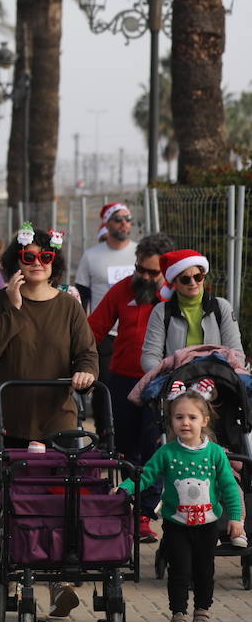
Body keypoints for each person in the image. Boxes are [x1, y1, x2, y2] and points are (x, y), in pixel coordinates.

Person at [0, 223, 97, 618]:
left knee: (57, 503)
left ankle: (58, 580)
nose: (38, 263)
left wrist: (85, 373)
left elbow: (87, 353)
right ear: (17, 261)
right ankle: (20, 570)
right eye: (30, 257)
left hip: (57, 416)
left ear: (55, 262)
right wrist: (14, 307)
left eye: (46, 257)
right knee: (17, 504)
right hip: (10, 416)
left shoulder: (68, 305)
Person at [118, 381, 244, 622]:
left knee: (204, 571)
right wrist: (125, 488)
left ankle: (202, 610)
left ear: (204, 420)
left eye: (192, 417)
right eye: (179, 417)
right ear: (171, 421)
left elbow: (229, 486)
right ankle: (178, 614)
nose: (185, 422)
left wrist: (236, 517)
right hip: (176, 524)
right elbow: (146, 475)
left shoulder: (215, 454)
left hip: (208, 525)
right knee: (179, 571)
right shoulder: (167, 452)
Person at [88, 232, 174, 545]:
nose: (145, 277)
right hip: (122, 380)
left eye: (152, 272)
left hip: (160, 383)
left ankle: (144, 515)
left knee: (153, 449)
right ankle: (125, 506)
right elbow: (94, 329)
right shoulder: (122, 290)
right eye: (140, 269)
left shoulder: (175, 296)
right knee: (125, 448)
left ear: (166, 272)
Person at [141, 249, 245, 373]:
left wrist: (224, 376)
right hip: (175, 381)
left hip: (216, 379)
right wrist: (166, 377)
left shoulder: (222, 307)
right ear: (174, 282)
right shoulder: (161, 311)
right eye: (185, 279)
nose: (193, 283)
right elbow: (150, 356)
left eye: (198, 277)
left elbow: (236, 351)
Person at [74, 202, 137, 311]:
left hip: (136, 326)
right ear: (107, 225)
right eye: (117, 219)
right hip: (103, 327)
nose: (124, 222)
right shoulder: (90, 256)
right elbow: (82, 295)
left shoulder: (142, 253)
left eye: (128, 218)